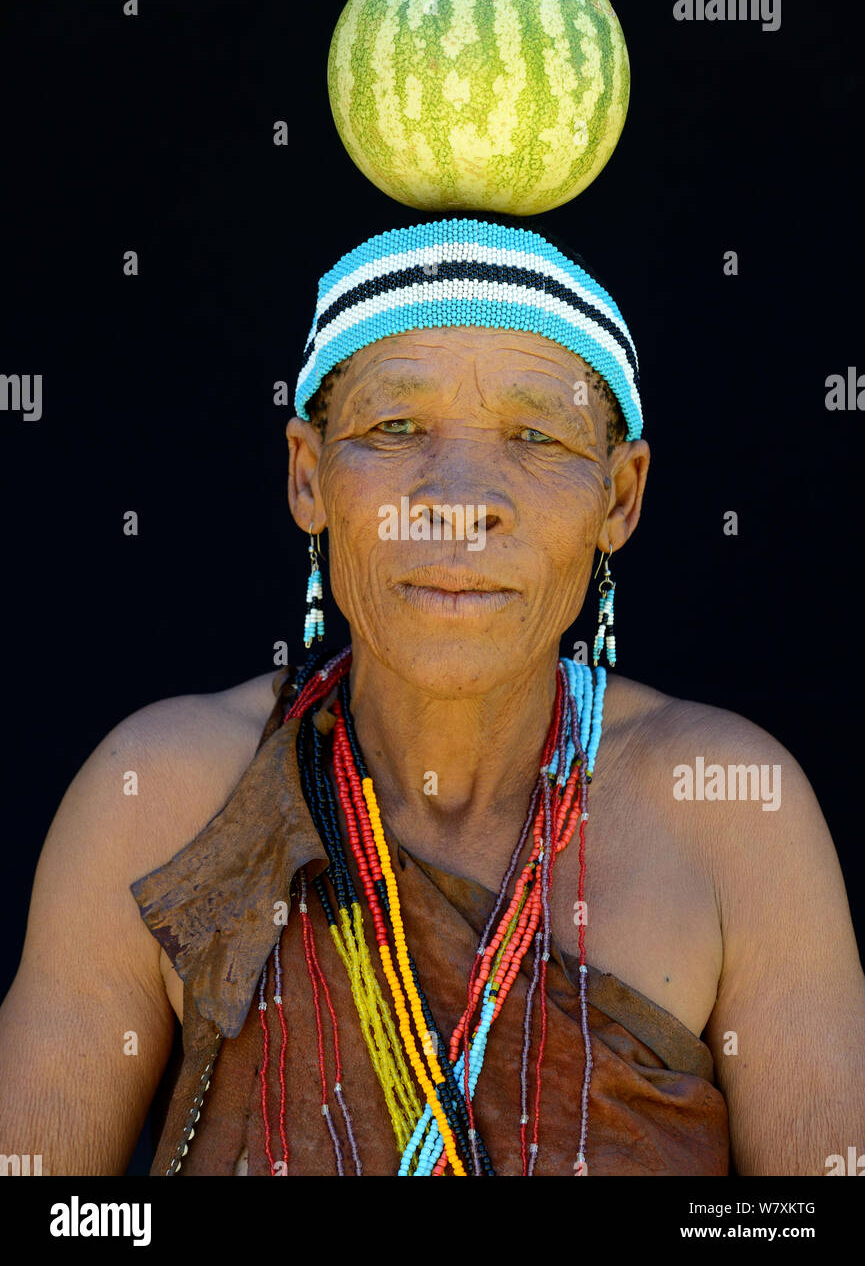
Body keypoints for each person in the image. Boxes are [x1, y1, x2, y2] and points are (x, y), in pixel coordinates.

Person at [1, 212, 862, 1176]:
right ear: (307, 475)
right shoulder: (158, 793)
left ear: (620, 498)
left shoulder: (731, 812)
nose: (456, 495)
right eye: (395, 427)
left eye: (536, 435)